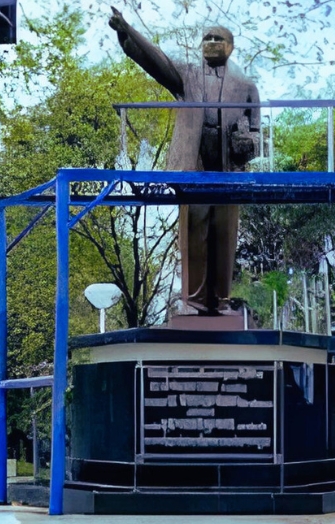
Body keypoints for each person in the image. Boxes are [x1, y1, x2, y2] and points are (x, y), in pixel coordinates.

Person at [109, 8, 261, 314]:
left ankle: (221, 301)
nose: (211, 42)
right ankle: (192, 301)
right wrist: (127, 31)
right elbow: (156, 60)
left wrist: (247, 143)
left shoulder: (246, 87)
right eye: (206, 37)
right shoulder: (187, 75)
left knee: (225, 234)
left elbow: (257, 133)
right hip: (195, 165)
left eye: (218, 38)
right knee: (193, 231)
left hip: (228, 169)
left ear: (230, 47)